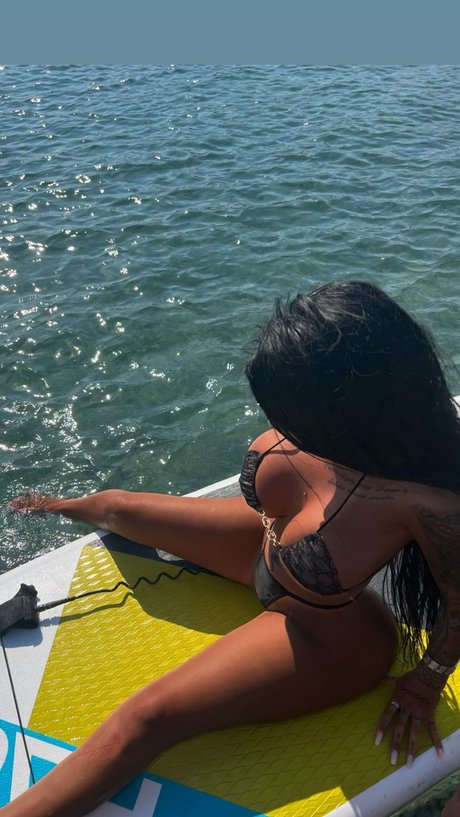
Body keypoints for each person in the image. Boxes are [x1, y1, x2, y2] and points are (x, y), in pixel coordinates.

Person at [4, 279, 460, 817]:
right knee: (118, 508)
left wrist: (426, 682)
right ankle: (47, 503)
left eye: (293, 411)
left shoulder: (425, 501)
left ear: (343, 405)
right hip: (262, 548)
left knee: (146, 719)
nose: (282, 423)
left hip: (322, 632)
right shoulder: (325, 420)